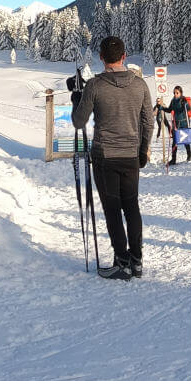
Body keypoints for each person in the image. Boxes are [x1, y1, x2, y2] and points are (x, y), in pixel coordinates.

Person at [71, 36, 153, 280]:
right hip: (130, 155)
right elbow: (148, 122)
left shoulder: (95, 86)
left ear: (101, 57)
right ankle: (136, 261)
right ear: (124, 56)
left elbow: (78, 121)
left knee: (112, 209)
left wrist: (76, 98)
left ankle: (122, 261)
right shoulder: (140, 85)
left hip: (105, 156)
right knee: (131, 207)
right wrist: (143, 150)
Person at [162, 85, 191, 165]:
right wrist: (162, 108)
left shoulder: (183, 100)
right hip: (176, 124)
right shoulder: (173, 100)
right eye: (174, 93)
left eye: (177, 93)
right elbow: (169, 109)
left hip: (184, 123)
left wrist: (186, 105)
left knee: (185, 140)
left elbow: (188, 109)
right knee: (174, 142)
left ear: (181, 93)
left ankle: (189, 155)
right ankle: (173, 159)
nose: (175, 94)